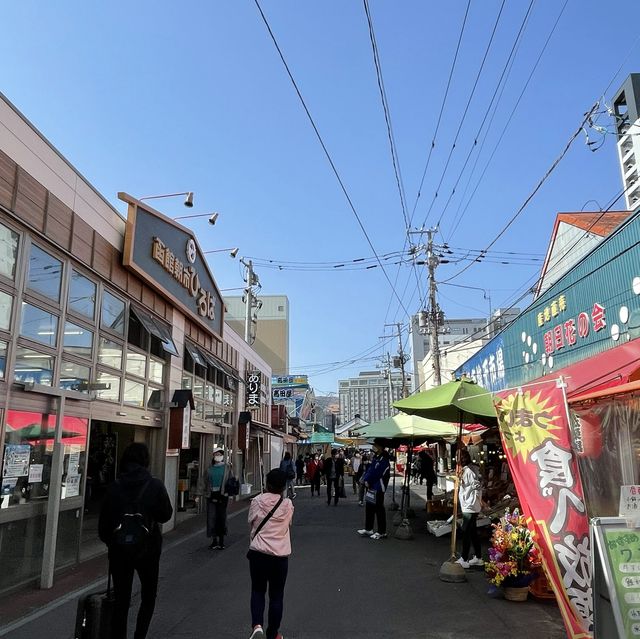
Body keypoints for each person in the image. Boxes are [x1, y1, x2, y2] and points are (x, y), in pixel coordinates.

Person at [98, 442, 173, 639]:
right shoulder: (154, 485)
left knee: (121, 599)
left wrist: (113, 541)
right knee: (148, 596)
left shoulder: (114, 486)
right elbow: (166, 514)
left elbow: (103, 526)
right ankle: (140, 635)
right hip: (148, 549)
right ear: (146, 460)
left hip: (119, 551)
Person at [248, 468, 294, 639]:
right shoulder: (288, 504)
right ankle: (273, 633)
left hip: (258, 553)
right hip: (280, 556)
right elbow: (288, 524)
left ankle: (257, 626)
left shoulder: (257, 501)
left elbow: (251, 522)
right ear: (283, 487)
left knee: (258, 590)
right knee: (277, 596)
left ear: (267, 484)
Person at [456, 449, 484, 569]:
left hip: (470, 505)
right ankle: (478, 557)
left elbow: (477, 486)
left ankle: (464, 558)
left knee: (465, 530)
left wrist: (476, 500)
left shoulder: (470, 471)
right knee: (472, 531)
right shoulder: (469, 469)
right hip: (469, 504)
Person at [357, 439, 390, 540]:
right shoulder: (376, 457)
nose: (373, 447)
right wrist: (366, 479)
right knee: (369, 507)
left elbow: (377, 473)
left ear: (380, 447)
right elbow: (370, 470)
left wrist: (368, 481)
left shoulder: (384, 460)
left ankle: (382, 532)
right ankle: (368, 528)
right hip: (371, 486)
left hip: (379, 487)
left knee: (379, 509)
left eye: (375, 445)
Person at [199, 448, 232, 550]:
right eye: (216, 454)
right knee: (211, 517)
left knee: (221, 517)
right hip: (211, 495)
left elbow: (231, 481)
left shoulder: (227, 468)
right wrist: (198, 494)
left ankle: (221, 540)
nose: (218, 456)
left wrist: (229, 493)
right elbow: (202, 482)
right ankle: (214, 540)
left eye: (219, 454)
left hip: (223, 495)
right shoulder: (209, 469)